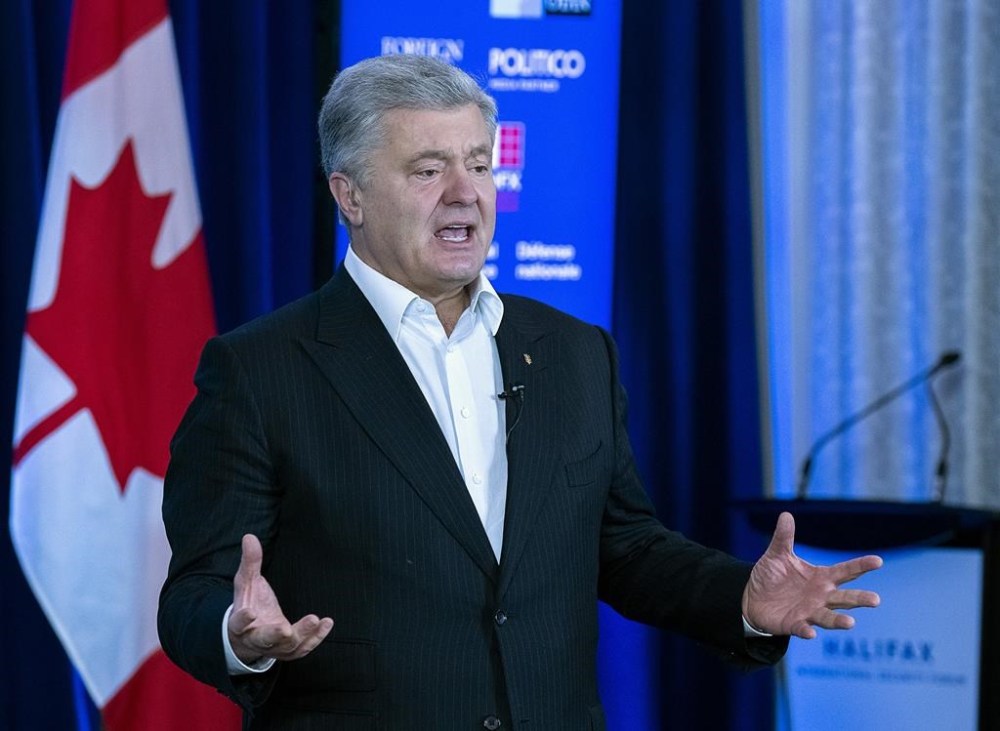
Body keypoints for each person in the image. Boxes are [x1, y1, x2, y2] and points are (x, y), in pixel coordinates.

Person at [157, 54, 881, 730]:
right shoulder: (259, 370)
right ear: (350, 195)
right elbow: (195, 591)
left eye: (479, 163)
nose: (466, 193)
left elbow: (624, 547)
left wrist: (742, 601)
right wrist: (237, 634)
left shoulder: (573, 351)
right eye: (427, 170)